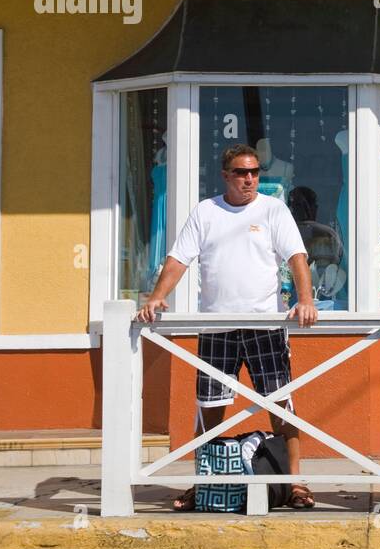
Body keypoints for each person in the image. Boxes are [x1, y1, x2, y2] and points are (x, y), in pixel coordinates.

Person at [136, 143, 318, 511]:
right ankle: (203, 482)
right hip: (217, 325)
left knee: (281, 402)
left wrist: (306, 299)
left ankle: (295, 482)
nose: (249, 179)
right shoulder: (206, 212)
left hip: (264, 325)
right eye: (241, 172)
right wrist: (156, 296)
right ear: (226, 175)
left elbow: (297, 256)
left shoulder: (273, 210)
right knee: (209, 406)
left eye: (254, 172)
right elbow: (178, 258)